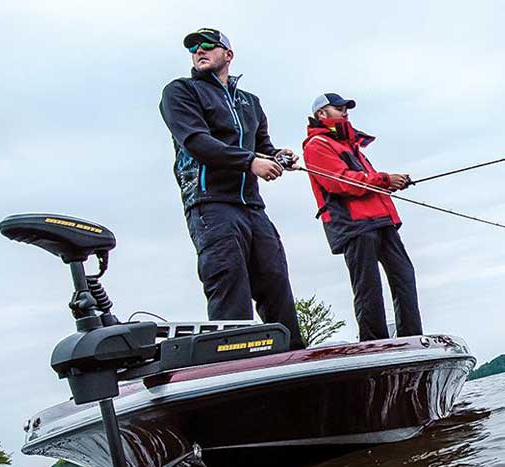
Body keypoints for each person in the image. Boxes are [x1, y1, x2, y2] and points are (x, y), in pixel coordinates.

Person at [160, 28, 304, 349]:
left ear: (228, 54)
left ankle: (294, 359)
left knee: (276, 283)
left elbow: (262, 147)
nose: (199, 50)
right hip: (211, 206)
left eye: (208, 45)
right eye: (194, 48)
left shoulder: (249, 102)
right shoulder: (181, 92)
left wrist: (278, 155)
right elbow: (197, 142)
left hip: (252, 208)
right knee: (230, 289)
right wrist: (251, 161)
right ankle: (236, 367)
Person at [302, 93, 423, 341]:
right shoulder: (316, 146)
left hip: (380, 220)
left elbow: (366, 181)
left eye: (346, 108)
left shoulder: (350, 145)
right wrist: (385, 179)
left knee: (404, 276)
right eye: (339, 108)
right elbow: (341, 182)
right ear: (322, 114)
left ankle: (412, 339)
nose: (345, 111)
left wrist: (390, 183)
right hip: (353, 225)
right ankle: (374, 343)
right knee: (368, 287)